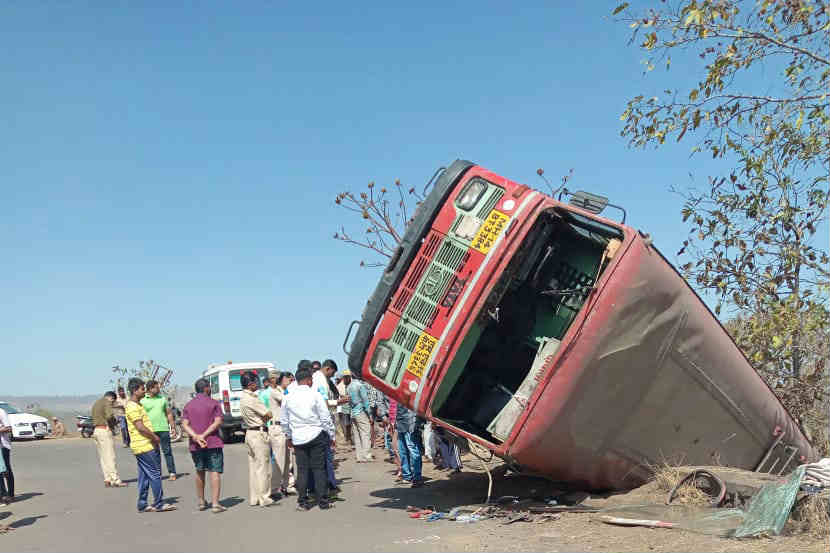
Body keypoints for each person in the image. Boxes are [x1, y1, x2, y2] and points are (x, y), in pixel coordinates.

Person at [280, 367, 335, 511]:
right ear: (309, 380)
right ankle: (323, 501)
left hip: (298, 437)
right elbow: (325, 417)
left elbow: (284, 421)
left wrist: (289, 436)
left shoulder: (287, 397)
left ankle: (303, 502)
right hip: (316, 434)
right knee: (319, 469)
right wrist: (331, 435)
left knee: (302, 470)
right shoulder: (315, 395)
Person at [125, 378, 176, 513]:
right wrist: (155, 438)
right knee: (155, 474)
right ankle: (159, 503)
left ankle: (142, 504)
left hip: (142, 445)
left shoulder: (138, 404)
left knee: (144, 476)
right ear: (135, 391)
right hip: (144, 445)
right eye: (142, 389)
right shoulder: (132, 406)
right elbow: (140, 427)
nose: (144, 391)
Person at [181, 378, 226, 513]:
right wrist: (204, 435)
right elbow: (217, 422)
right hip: (212, 442)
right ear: (207, 388)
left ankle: (201, 501)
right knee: (215, 471)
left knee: (200, 471)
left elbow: (184, 424)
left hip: (196, 445)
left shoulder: (189, 405)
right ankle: (215, 504)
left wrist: (196, 436)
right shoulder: (214, 403)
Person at [239, 371, 274, 507]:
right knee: (263, 467)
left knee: (254, 468)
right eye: (256, 381)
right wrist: (264, 417)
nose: (258, 384)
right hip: (259, 433)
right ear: (251, 384)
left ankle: (255, 497)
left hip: (250, 433)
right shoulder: (252, 398)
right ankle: (264, 497)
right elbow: (268, 414)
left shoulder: (243, 398)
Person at [140, 380, 178, 481]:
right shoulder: (143, 401)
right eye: (157, 387)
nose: (159, 389)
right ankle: (158, 473)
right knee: (154, 453)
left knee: (167, 452)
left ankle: (172, 472)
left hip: (163, 429)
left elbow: (169, 413)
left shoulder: (162, 399)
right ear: (150, 389)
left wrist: (173, 427)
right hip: (150, 431)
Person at [90, 391, 126, 488]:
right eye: (113, 402)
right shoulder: (107, 402)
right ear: (111, 398)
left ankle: (107, 479)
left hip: (96, 431)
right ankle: (116, 480)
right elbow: (109, 416)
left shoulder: (96, 403)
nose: (113, 404)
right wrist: (115, 422)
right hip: (104, 430)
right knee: (110, 456)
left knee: (103, 457)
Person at [267, 371, 294, 497]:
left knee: (288, 459)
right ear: (280, 379)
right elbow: (287, 402)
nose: (290, 380)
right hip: (277, 428)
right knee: (279, 460)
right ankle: (274, 488)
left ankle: (287, 485)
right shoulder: (275, 392)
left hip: (285, 428)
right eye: (287, 378)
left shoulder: (286, 392)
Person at [396, 403, 424, 487]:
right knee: (402, 451)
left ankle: (417, 478)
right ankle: (407, 476)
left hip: (410, 423)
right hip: (401, 423)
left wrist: (414, 425)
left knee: (413, 451)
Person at [347, 374, 373, 462]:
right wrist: (370, 414)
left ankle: (359, 456)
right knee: (365, 433)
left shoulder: (349, 386)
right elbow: (365, 400)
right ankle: (367, 456)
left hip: (353, 412)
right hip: (361, 411)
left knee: (357, 435)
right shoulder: (360, 386)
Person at [0, 404, 14, 503]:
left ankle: (10, 494)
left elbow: (9, 428)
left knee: (6, 470)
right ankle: (3, 495)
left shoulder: (1, 412)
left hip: (3, 445)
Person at [335, 376, 352, 445]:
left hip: (351, 408)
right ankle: (347, 438)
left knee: (349, 424)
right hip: (343, 408)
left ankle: (349, 438)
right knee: (346, 424)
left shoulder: (352, 385)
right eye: (345, 378)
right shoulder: (339, 386)